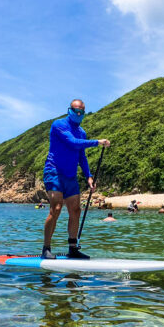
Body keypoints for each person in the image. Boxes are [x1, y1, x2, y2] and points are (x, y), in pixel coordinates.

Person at [41, 99, 110, 259]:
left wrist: (89, 176)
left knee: (76, 210)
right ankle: (46, 248)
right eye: (76, 111)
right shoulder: (58, 125)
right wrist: (97, 142)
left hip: (71, 175)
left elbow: (81, 155)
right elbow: (72, 143)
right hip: (54, 172)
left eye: (81, 112)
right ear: (69, 110)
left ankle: (73, 249)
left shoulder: (82, 132)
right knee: (56, 208)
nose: (78, 114)